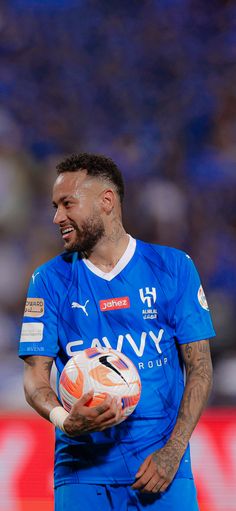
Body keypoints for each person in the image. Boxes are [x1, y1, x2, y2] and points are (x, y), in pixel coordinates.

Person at [19, 153, 215, 511]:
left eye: (67, 204)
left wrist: (173, 452)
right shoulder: (47, 280)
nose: (57, 217)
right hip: (83, 471)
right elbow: (34, 377)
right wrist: (66, 420)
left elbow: (200, 367)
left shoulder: (173, 268)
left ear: (106, 201)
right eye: (54, 206)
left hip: (161, 468)